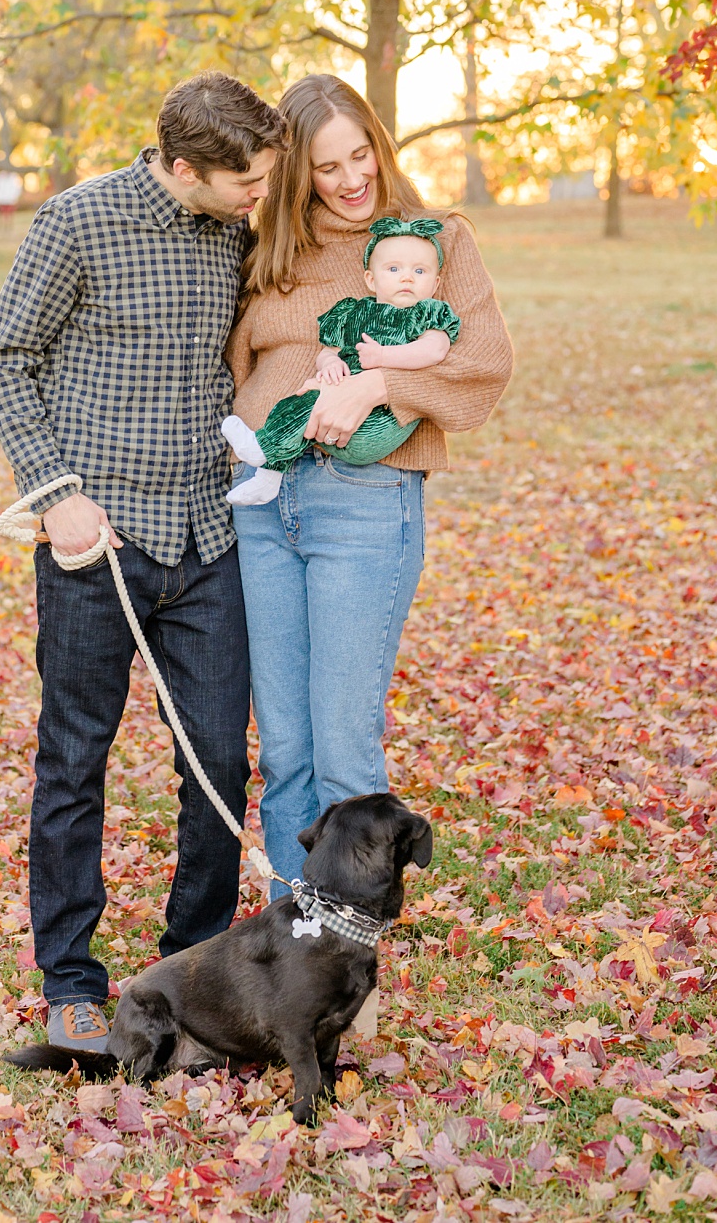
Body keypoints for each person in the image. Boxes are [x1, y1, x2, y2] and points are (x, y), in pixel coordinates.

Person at [0, 71, 285, 1063]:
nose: (260, 196)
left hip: (208, 539)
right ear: (185, 166)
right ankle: (70, 979)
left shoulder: (240, 229)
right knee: (75, 760)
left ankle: (185, 971)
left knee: (219, 767)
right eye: (247, 181)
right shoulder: (76, 222)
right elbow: (2, 358)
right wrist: (55, 490)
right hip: (95, 544)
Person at [224, 75, 513, 903]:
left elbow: (482, 363)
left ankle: (347, 958)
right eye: (325, 167)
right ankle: (291, 948)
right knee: (283, 749)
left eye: (362, 155)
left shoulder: (433, 242)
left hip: (363, 499)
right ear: (293, 174)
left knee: (344, 745)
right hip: (263, 499)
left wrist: (375, 385)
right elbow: (237, 364)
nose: (352, 180)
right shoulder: (270, 249)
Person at [221, 217, 461, 500]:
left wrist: (384, 355)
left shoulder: (428, 312)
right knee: (302, 396)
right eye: (394, 269)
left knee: (310, 402)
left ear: (435, 284)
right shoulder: (354, 312)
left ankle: (261, 446)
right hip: (327, 421)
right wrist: (330, 364)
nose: (407, 277)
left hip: (379, 422)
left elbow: (434, 350)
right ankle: (269, 476)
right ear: (370, 279)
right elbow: (328, 351)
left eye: (419, 271)